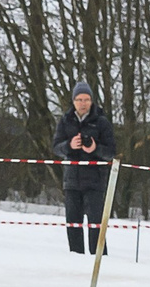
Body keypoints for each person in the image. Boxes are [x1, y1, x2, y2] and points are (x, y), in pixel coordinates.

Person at [50, 85, 117, 256]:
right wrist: (69, 146)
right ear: (73, 101)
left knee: (96, 225)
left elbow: (111, 152)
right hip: (71, 181)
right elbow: (56, 148)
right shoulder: (65, 121)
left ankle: (99, 259)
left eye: (86, 99)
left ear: (91, 101)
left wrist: (95, 149)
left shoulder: (101, 122)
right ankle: (75, 258)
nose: (83, 103)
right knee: (73, 224)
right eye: (79, 99)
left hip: (95, 182)